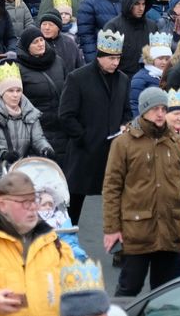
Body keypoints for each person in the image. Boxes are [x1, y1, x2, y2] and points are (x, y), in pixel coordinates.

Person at [103, 88, 180, 295]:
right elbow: (112, 188)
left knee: (164, 293)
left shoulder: (177, 143)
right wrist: (111, 228)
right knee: (129, 289)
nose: (160, 113)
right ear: (143, 111)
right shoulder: (123, 143)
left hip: (171, 229)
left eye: (163, 108)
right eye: (154, 109)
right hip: (137, 231)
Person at [0, 171, 74, 316]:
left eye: (35, 200)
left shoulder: (52, 242)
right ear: (3, 205)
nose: (33, 207)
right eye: (24, 202)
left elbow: (73, 291)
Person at [59, 29, 130, 225]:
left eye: (118, 58)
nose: (115, 63)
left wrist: (124, 126)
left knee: (116, 205)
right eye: (111, 58)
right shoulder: (77, 78)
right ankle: (67, 246)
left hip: (113, 152)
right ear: (100, 56)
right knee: (73, 208)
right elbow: (66, 115)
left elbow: (126, 111)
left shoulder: (123, 79)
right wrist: (84, 137)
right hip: (84, 153)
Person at [0, 63, 53, 207]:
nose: (15, 95)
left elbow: (38, 138)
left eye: (18, 90)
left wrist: (45, 148)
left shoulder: (29, 111)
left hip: (18, 172)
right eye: (10, 91)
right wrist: (2, 153)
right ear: (2, 92)